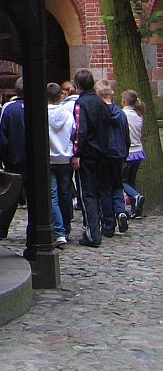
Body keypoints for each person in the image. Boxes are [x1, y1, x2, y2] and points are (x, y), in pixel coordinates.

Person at [71, 68, 111, 248]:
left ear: (78, 86)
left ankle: (92, 233)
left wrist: (76, 153)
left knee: (87, 194)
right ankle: (100, 228)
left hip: (88, 154)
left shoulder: (81, 103)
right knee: (100, 191)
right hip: (103, 152)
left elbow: (81, 131)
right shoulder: (101, 103)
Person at [0, 79, 25, 240]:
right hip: (35, 160)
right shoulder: (39, 106)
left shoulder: (9, 108)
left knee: (13, 193)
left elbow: (2, 135)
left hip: (14, 158)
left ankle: (0, 226)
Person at [95, 79, 130, 236]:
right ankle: (121, 211)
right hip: (119, 154)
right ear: (112, 93)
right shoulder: (121, 114)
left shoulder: (98, 113)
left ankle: (108, 225)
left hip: (103, 154)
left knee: (104, 189)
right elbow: (126, 136)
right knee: (117, 185)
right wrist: (125, 156)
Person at [47, 82, 74, 247]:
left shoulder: (42, 114)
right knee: (65, 194)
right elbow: (74, 133)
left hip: (49, 159)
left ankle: (59, 232)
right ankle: (66, 227)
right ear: (60, 96)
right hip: (66, 158)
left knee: (53, 196)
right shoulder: (68, 114)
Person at [121, 89, 146, 219]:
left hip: (129, 153)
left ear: (124, 101)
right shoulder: (138, 115)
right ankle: (136, 210)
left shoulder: (122, 114)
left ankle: (136, 196)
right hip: (138, 152)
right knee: (131, 181)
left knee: (121, 181)